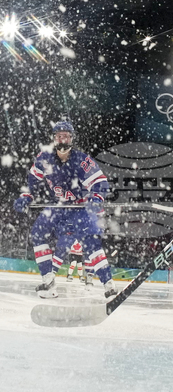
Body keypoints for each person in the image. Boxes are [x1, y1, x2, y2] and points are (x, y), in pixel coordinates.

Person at [12, 121, 117, 299]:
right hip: (57, 205)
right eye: (59, 136)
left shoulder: (82, 159)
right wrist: (27, 196)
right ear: (54, 138)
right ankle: (49, 281)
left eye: (66, 136)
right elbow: (33, 181)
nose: (63, 139)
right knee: (37, 232)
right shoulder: (43, 158)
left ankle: (109, 285)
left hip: (79, 207)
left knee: (91, 242)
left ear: (71, 139)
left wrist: (95, 198)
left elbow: (100, 182)